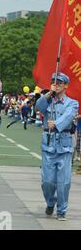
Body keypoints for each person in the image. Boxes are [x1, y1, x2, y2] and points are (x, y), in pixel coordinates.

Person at [36, 73, 79, 221]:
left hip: (65, 145)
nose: (57, 84)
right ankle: (50, 202)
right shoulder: (48, 101)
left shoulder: (72, 103)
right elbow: (38, 106)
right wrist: (49, 93)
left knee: (64, 182)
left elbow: (68, 117)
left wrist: (56, 123)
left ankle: (62, 210)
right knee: (47, 181)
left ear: (66, 85)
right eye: (54, 82)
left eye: (60, 82)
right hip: (49, 144)